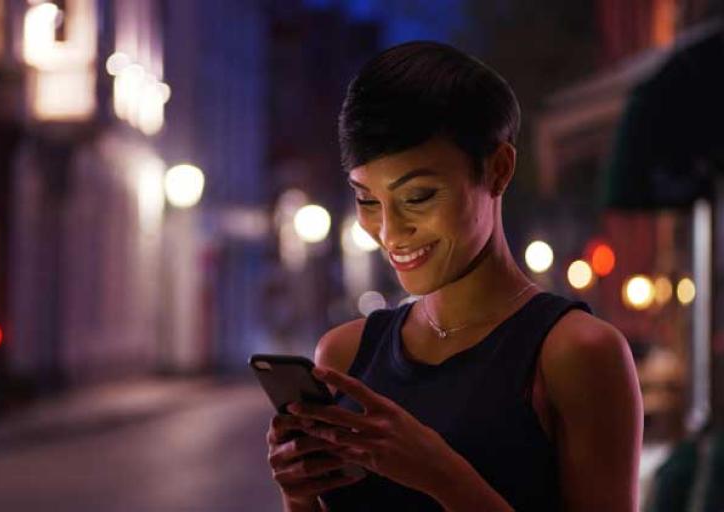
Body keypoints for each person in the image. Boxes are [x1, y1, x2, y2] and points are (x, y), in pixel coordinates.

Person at [265, 41, 643, 511]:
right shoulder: (344, 355)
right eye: (367, 200)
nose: (390, 231)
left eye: (419, 196)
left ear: (498, 170)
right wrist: (298, 495)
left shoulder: (575, 353)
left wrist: (443, 477)